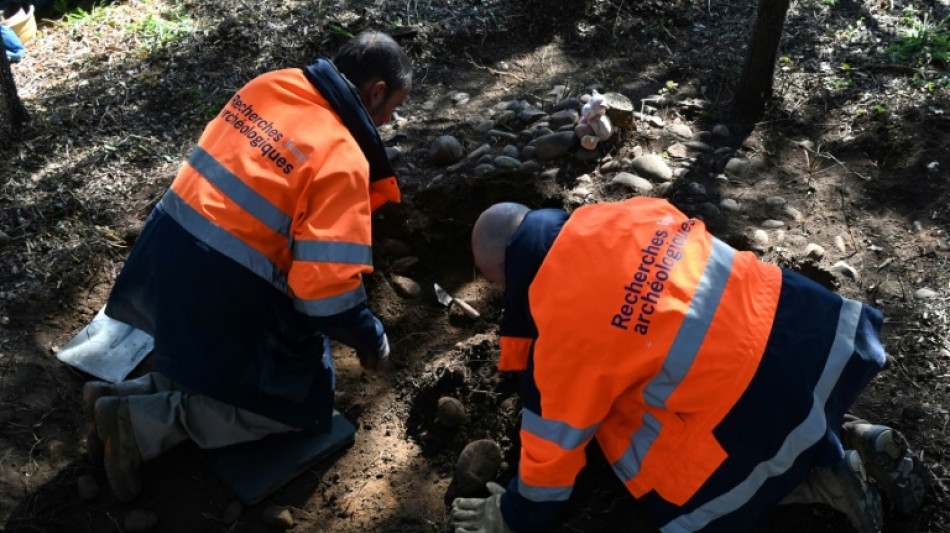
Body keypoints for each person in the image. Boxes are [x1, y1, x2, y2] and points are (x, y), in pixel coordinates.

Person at [452, 198, 930, 533]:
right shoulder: (630, 211)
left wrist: (515, 515)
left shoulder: (559, 332)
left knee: (620, 425)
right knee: (703, 361)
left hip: (752, 404)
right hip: (810, 336)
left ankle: (815, 483)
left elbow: (552, 451)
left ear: (509, 278)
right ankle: (843, 436)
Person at [81, 31, 412, 502]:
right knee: (292, 404)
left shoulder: (271, 84)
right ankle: (141, 425)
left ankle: (124, 397)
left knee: (211, 358)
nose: (386, 122)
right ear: (376, 91)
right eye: (391, 109)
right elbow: (325, 297)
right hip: (222, 288)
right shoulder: (342, 157)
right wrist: (369, 336)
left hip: (164, 264)